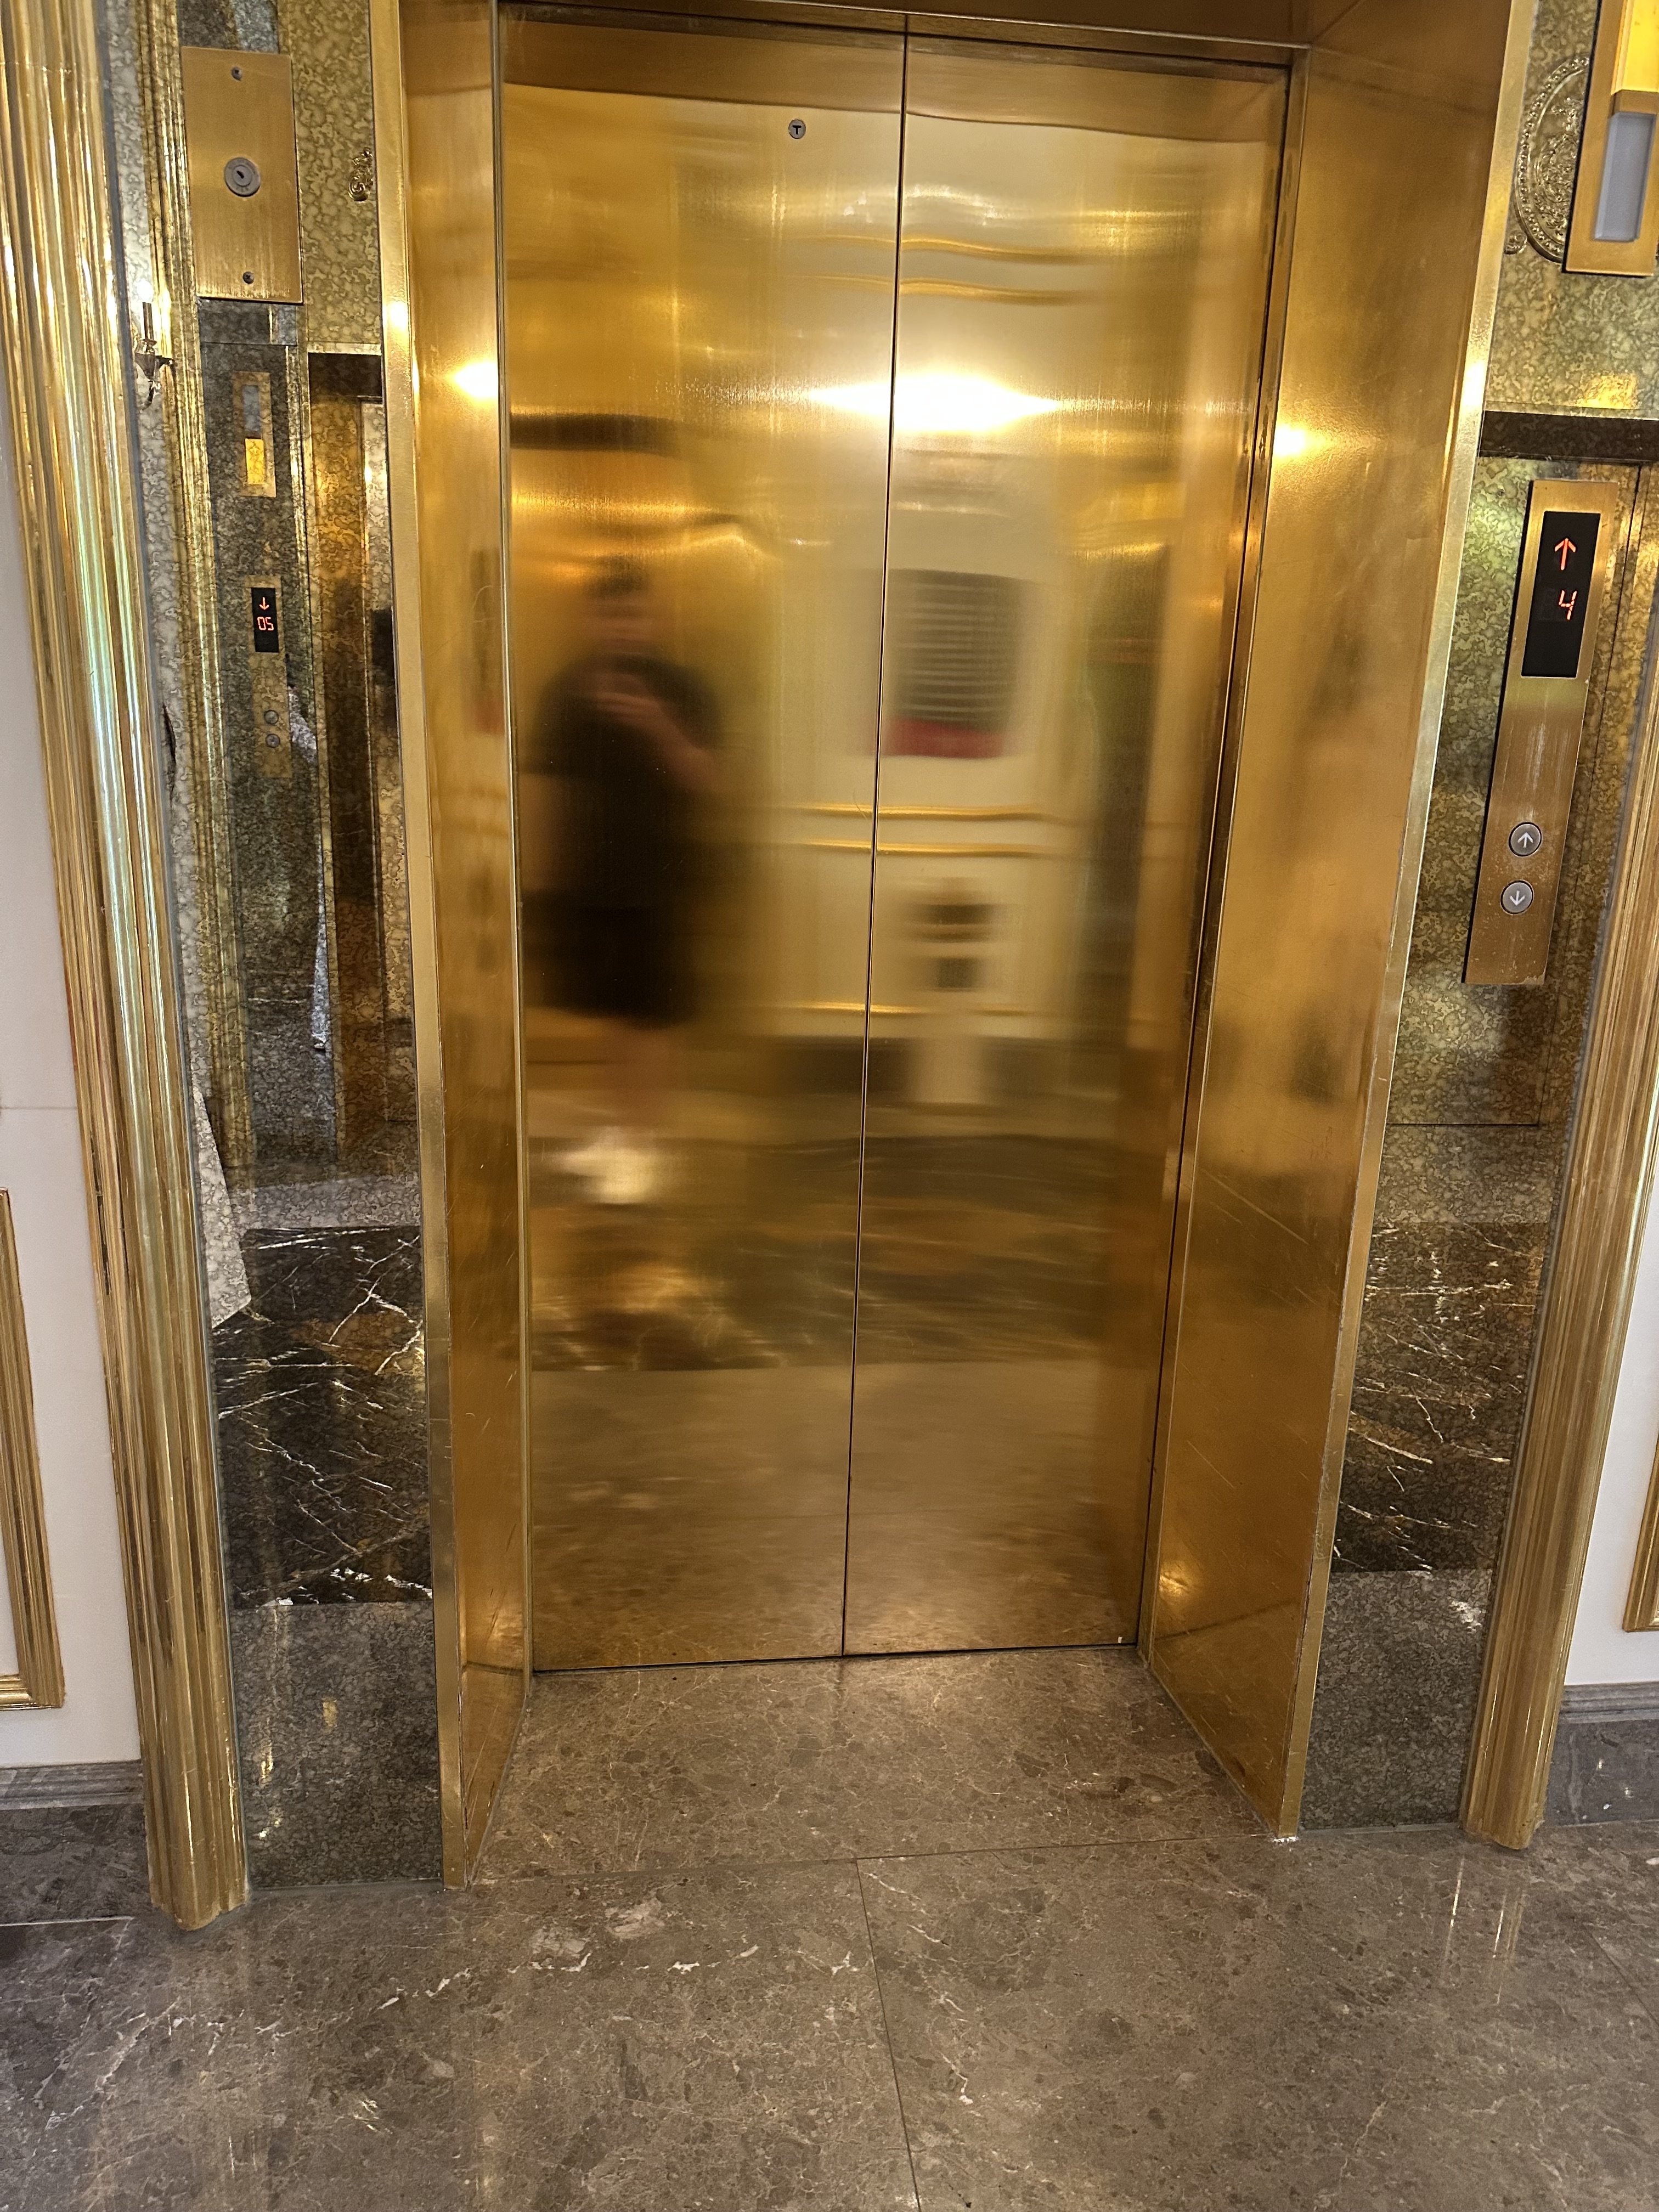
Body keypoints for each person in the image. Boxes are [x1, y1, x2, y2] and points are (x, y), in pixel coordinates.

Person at [521, 559, 718, 1204]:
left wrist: (657, 723)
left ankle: (646, 1143)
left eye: (633, 614)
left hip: (662, 878)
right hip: (589, 881)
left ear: (651, 617)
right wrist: (541, 883)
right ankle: (620, 1132)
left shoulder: (682, 688)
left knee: (651, 1017)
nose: (622, 626)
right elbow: (545, 784)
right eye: (610, 614)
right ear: (593, 619)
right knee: (613, 1013)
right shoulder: (568, 691)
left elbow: (708, 779)